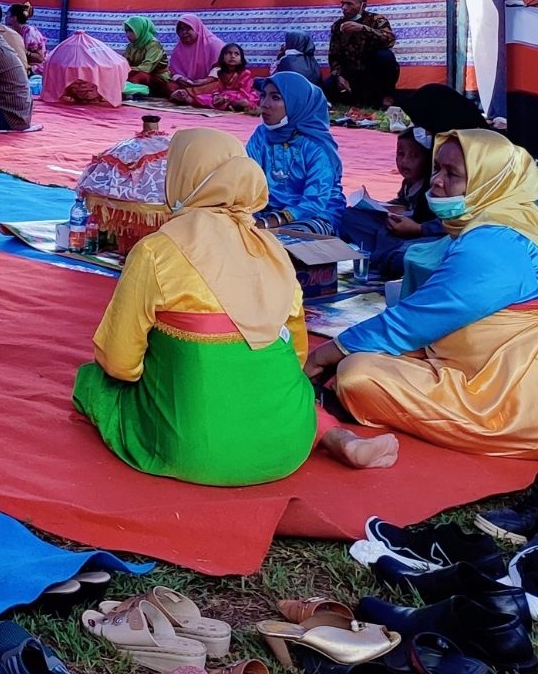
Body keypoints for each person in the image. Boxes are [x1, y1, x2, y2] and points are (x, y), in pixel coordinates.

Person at [76, 129, 367, 485]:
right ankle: (330, 433)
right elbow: (295, 355)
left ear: (183, 177)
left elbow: (120, 363)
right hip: (289, 445)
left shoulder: (157, 250)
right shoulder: (273, 250)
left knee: (93, 382)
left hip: (192, 451)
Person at [305, 129, 538, 458]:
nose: (436, 182)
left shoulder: (493, 245)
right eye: (437, 169)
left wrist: (325, 354)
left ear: (488, 182)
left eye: (452, 174)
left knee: (357, 374)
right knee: (375, 351)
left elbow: (413, 322)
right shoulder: (508, 221)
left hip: (526, 414)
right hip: (497, 374)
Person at [246, 71, 345, 234]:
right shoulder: (262, 135)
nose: (264, 104)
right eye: (263, 96)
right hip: (267, 212)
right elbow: (246, 175)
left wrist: (273, 221)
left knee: (291, 238)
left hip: (314, 215)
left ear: (296, 102)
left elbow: (315, 200)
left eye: (275, 97)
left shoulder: (316, 145)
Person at [342, 128, 447, 281]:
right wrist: (377, 205)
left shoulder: (437, 186)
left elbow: (448, 225)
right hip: (397, 230)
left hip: (423, 238)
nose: (404, 161)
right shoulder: (408, 183)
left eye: (414, 156)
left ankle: (383, 253)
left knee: (400, 258)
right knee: (349, 215)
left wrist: (418, 229)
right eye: (400, 154)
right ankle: (383, 252)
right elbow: (401, 203)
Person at [325, 0, 401, 106]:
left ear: (362, 5)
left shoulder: (376, 20)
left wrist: (363, 29)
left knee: (385, 56)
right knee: (327, 86)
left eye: (349, 4)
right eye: (342, 4)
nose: (344, 8)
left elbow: (389, 40)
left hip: (372, 73)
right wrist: (339, 75)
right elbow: (334, 55)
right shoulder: (338, 26)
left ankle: (387, 96)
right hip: (350, 74)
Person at [170, 43, 258, 111]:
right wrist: (217, 96)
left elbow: (244, 93)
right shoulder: (220, 73)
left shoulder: (245, 73)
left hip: (243, 97)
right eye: (229, 53)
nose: (232, 56)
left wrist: (226, 97)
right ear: (222, 57)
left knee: (244, 102)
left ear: (241, 60)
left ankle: (230, 105)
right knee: (204, 98)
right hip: (224, 97)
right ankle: (187, 99)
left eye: (236, 54)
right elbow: (218, 89)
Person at [166, 14, 225, 89]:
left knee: (217, 85)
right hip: (187, 84)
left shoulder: (214, 44)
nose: (184, 32)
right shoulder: (178, 49)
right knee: (169, 85)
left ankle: (189, 93)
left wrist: (207, 80)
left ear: (197, 28)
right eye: (181, 29)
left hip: (209, 82)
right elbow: (173, 71)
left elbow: (222, 66)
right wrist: (179, 78)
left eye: (188, 28)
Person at [122, 15, 170, 96]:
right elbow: (125, 62)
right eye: (126, 31)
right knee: (119, 75)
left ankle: (133, 93)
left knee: (139, 76)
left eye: (131, 31)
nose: (128, 34)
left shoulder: (154, 44)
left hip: (158, 77)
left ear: (140, 29)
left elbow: (147, 68)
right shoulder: (131, 46)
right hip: (138, 73)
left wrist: (127, 69)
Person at [6, 2, 48, 70]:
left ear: (14, 18)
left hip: (37, 69)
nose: (6, 18)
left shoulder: (30, 33)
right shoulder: (14, 31)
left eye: (8, 15)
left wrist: (24, 52)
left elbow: (40, 58)